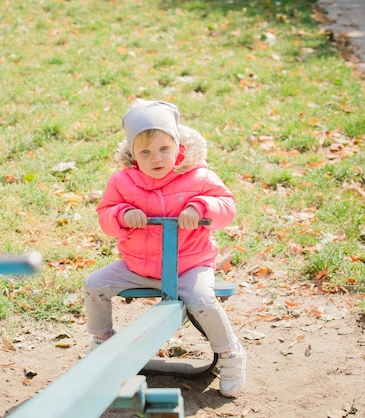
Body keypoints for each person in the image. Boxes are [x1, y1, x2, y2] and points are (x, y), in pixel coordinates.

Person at [83, 99, 246, 397]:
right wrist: (121, 215)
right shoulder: (122, 181)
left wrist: (200, 207)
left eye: (163, 149)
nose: (156, 158)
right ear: (133, 154)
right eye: (145, 151)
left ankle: (230, 353)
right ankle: (104, 341)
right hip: (138, 265)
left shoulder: (199, 176)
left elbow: (227, 205)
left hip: (189, 262)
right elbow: (105, 217)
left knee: (202, 300)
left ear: (178, 146)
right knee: (94, 285)